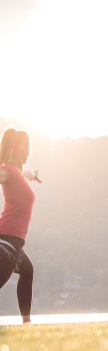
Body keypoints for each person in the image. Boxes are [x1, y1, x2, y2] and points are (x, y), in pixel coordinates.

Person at [0, 128, 41, 324]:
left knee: (28, 271)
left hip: (14, 240)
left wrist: (33, 176)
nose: (27, 151)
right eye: (25, 147)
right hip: (6, 240)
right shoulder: (6, 170)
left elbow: (25, 174)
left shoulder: (17, 172)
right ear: (17, 150)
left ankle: (27, 323)